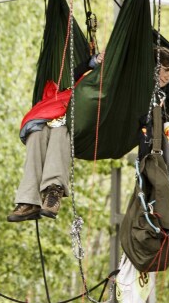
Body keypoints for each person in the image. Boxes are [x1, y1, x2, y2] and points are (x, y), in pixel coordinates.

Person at [7, 51, 104, 222]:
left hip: (80, 119)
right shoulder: (88, 70)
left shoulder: (117, 76)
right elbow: (71, 78)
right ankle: (28, 199)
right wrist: (94, 61)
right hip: (61, 109)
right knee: (36, 134)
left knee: (60, 130)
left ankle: (54, 189)